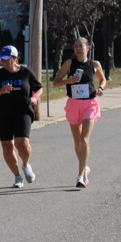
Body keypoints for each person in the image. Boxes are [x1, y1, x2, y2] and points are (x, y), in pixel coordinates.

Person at [51, 37, 106, 188]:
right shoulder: (69, 64)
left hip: (90, 104)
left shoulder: (94, 64)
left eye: (81, 46)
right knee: (77, 142)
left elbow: (103, 80)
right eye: (75, 46)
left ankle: (81, 176)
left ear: (88, 48)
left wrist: (101, 88)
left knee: (84, 139)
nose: (78, 49)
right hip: (74, 104)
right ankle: (84, 166)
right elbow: (55, 83)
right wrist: (67, 81)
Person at [0, 45, 43, 188]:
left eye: (6, 59)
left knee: (21, 143)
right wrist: (1, 91)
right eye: (2, 59)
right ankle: (17, 177)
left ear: (15, 58)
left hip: (23, 111)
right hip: (4, 114)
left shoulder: (26, 72)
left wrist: (35, 97)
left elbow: (39, 88)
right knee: (7, 145)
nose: (3, 62)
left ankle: (25, 164)